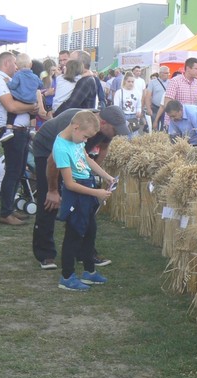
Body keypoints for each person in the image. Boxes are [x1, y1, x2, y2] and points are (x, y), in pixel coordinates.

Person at [33, 106, 129, 270]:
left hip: (74, 153)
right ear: (103, 122)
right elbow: (52, 161)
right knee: (49, 202)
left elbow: (97, 152)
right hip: (47, 152)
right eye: (115, 130)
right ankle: (46, 253)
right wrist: (53, 190)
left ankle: (85, 253)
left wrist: (88, 176)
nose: (116, 133)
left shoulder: (103, 130)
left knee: (82, 204)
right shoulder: (73, 124)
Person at [52, 110, 116, 291]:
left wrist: (107, 176)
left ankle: (89, 271)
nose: (86, 141)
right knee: (73, 235)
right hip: (77, 194)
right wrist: (96, 192)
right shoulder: (62, 147)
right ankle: (67, 276)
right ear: (76, 127)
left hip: (86, 188)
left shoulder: (77, 140)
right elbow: (70, 184)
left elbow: (86, 159)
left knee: (90, 231)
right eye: (86, 136)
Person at [0, 51, 38, 226]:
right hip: (13, 132)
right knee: (12, 172)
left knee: (17, 171)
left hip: (20, 131)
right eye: (15, 64)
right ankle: (6, 212)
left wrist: (29, 107)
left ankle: (9, 208)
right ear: (7, 63)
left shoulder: (8, 81)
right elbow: (11, 106)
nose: (17, 67)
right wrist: (31, 106)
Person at [153, 57, 197, 129]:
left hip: (191, 123)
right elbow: (167, 103)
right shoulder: (175, 81)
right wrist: (176, 115)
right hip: (176, 123)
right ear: (188, 68)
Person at [1, 53, 43, 142]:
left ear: (17, 66)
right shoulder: (35, 76)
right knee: (33, 115)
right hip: (31, 100)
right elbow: (41, 85)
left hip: (20, 98)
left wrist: (7, 82)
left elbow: (13, 85)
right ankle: (32, 129)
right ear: (31, 65)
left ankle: (9, 129)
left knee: (11, 114)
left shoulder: (18, 75)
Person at [53, 50, 98, 116]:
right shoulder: (78, 78)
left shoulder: (86, 80)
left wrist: (53, 115)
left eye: (70, 60)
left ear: (79, 64)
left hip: (80, 123)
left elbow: (71, 104)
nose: (66, 63)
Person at [113, 72, 143, 138]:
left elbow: (139, 105)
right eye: (129, 81)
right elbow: (116, 107)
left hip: (134, 117)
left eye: (132, 82)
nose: (131, 83)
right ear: (124, 81)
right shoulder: (119, 92)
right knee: (124, 137)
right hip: (123, 116)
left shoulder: (137, 93)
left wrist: (139, 112)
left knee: (134, 137)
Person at [144, 66, 169, 131]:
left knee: (164, 128)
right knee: (154, 126)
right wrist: (148, 108)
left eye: (168, 73)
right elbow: (148, 96)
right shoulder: (153, 82)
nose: (168, 75)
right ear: (160, 73)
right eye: (166, 73)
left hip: (166, 109)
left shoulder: (170, 82)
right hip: (155, 108)